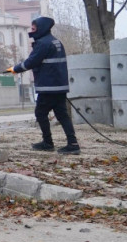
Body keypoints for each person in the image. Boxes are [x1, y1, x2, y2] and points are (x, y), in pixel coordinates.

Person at [7, 16, 80, 155]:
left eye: (34, 29)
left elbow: (31, 62)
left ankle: (48, 142)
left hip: (48, 87)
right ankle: (73, 143)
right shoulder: (56, 42)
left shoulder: (43, 44)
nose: (31, 31)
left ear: (41, 29)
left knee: (40, 113)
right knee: (62, 115)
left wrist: (14, 69)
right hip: (59, 86)